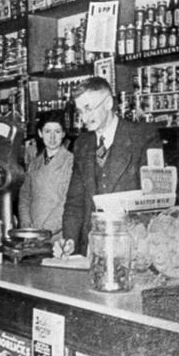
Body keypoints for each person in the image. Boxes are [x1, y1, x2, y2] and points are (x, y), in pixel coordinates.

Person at [56, 77, 162, 256]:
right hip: (91, 248)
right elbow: (75, 202)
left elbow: (156, 201)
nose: (84, 118)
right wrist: (70, 241)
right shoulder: (82, 144)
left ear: (108, 103)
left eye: (89, 108)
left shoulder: (143, 137)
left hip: (131, 248)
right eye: (80, 111)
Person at [18, 111, 73, 237]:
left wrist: (45, 230)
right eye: (47, 131)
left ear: (63, 134)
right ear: (40, 133)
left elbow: (68, 202)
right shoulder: (34, 163)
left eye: (57, 132)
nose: (52, 137)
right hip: (32, 234)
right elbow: (25, 196)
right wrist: (26, 225)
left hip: (57, 235)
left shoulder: (71, 162)